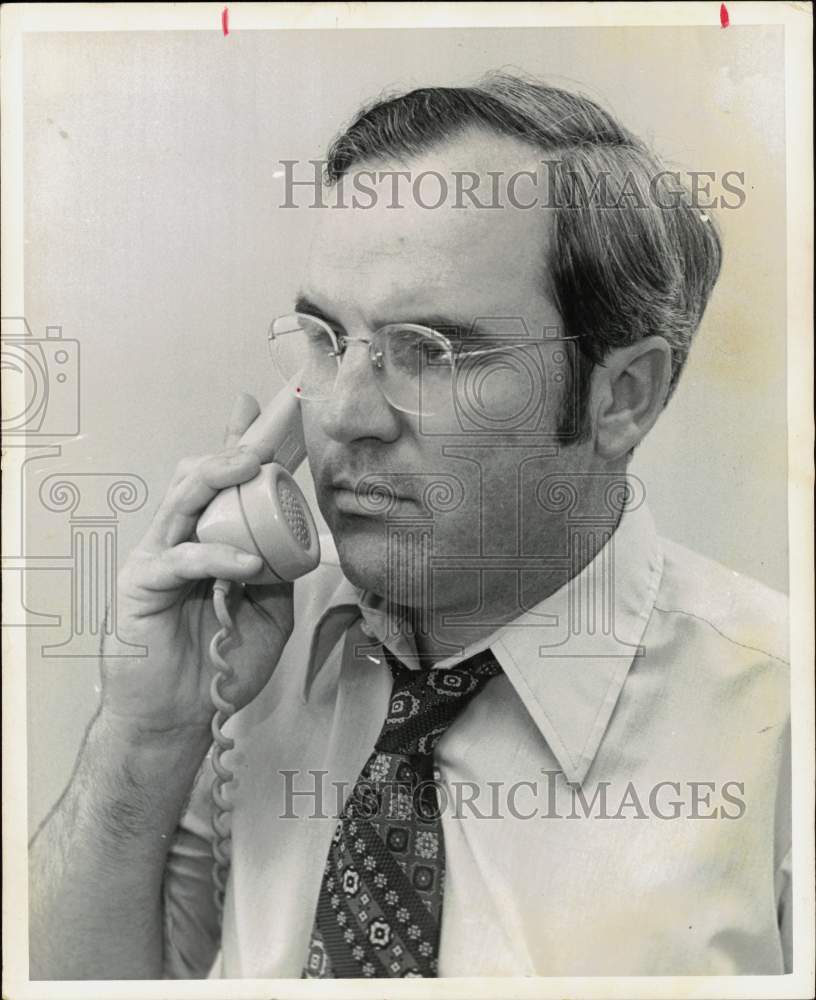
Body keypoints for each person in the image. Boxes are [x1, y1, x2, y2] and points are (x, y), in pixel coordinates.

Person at [29, 73, 790, 979]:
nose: (346, 416)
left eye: (430, 352)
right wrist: (146, 735)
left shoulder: (781, 725)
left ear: (621, 395)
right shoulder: (250, 664)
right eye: (325, 338)